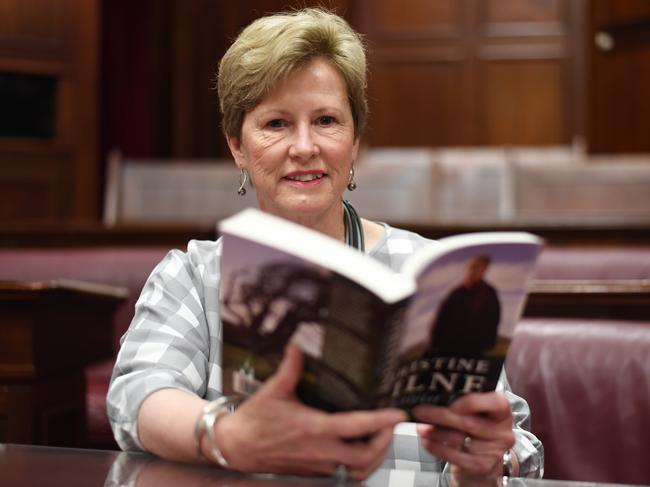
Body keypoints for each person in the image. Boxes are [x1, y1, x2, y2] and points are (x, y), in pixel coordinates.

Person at [107, 8, 543, 480]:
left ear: (354, 139)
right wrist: (227, 435)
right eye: (275, 123)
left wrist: (477, 468)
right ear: (237, 145)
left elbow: (510, 447)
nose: (304, 147)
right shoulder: (193, 274)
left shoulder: (431, 271)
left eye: (326, 120)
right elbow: (138, 398)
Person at [429, 255, 501, 356]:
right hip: (448, 344)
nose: (474, 271)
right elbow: (442, 318)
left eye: (479, 268)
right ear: (467, 268)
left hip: (474, 346)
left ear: (484, 270)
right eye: (473, 267)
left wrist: (488, 343)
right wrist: (435, 342)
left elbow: (493, 319)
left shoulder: (489, 293)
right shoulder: (456, 292)